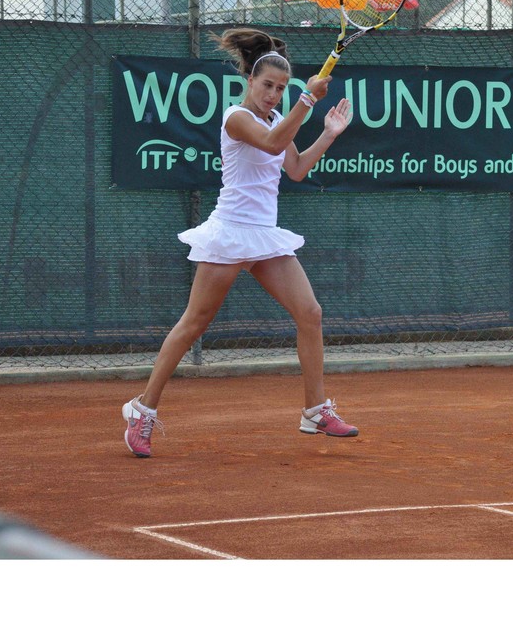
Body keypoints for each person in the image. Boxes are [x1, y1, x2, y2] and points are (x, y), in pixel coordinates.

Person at [122, 28, 358, 458]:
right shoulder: (237, 117)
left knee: (310, 313)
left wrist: (328, 133)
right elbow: (270, 143)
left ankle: (315, 410)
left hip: (264, 235)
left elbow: (296, 168)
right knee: (194, 324)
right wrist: (306, 98)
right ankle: (142, 410)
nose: (273, 95)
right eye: (267, 85)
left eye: (281, 89)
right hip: (230, 231)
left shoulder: (276, 119)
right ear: (250, 80)